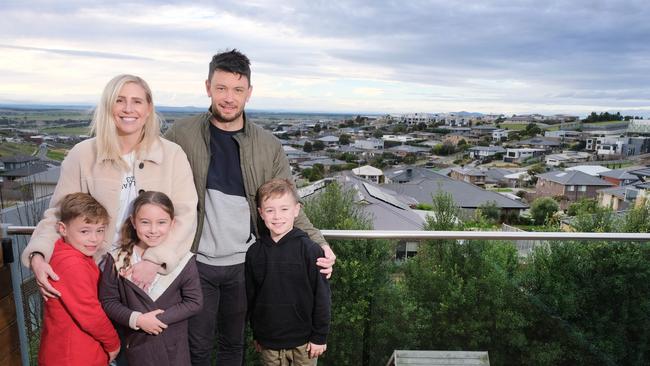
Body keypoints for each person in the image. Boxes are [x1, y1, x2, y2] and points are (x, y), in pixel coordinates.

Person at [164, 49, 336, 365]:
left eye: (238, 90)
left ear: (249, 93)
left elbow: (289, 205)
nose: (229, 98)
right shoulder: (181, 134)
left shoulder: (268, 145)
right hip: (195, 262)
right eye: (221, 88)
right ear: (207, 87)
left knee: (234, 346)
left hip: (245, 265)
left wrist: (320, 243)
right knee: (197, 346)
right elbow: (157, 192)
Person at [21, 74, 198, 299]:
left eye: (137, 101)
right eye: (120, 100)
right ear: (108, 106)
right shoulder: (82, 155)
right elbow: (59, 213)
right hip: (95, 274)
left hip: (155, 278)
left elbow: (186, 216)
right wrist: (38, 255)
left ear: (148, 108)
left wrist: (154, 261)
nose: (128, 109)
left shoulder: (172, 155)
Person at [99, 191, 203, 366]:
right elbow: (108, 301)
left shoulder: (184, 260)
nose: (153, 230)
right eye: (145, 222)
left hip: (174, 350)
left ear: (172, 223)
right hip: (136, 349)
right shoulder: (117, 259)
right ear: (133, 222)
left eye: (161, 222)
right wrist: (138, 320)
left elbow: (194, 302)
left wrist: (158, 321)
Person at [246, 179, 330, 366]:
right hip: (269, 341)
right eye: (270, 210)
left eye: (284, 209)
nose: (277, 216)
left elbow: (322, 297)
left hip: (305, 343)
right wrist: (257, 334)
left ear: (296, 210)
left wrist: (320, 336)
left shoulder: (310, 250)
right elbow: (252, 298)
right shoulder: (254, 253)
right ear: (261, 213)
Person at [38, 193, 121, 366]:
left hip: (68, 349)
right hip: (75, 354)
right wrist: (113, 343)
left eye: (100, 230)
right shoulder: (72, 264)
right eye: (85, 231)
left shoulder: (67, 251)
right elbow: (91, 313)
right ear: (63, 229)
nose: (94, 238)